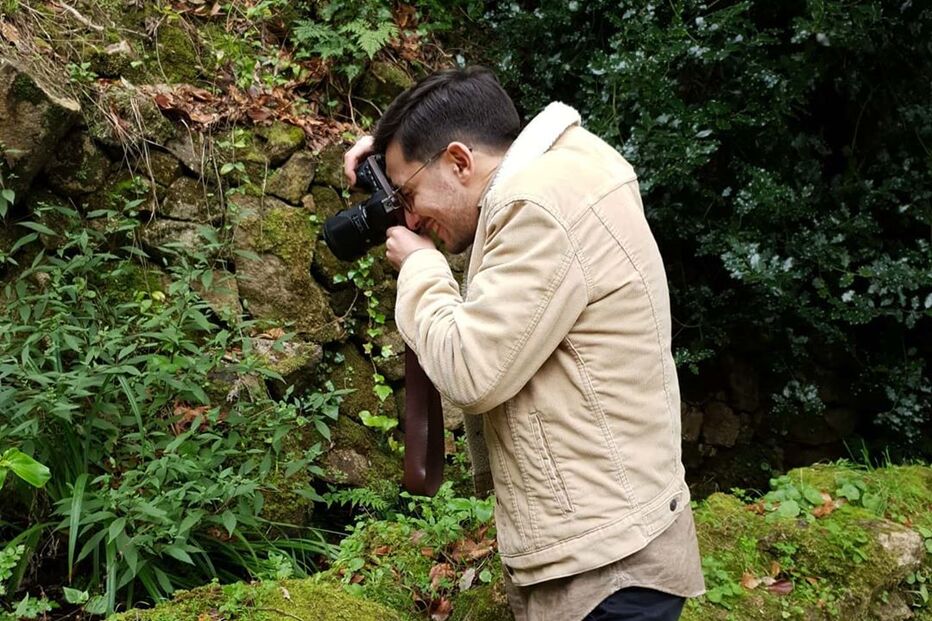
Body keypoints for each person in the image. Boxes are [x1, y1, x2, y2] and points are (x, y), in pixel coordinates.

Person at [342, 66, 705, 621]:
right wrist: (395, 155)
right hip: (615, 534)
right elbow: (467, 130)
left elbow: (472, 371)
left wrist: (421, 268)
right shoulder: (567, 167)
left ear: (460, 160)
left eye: (409, 194)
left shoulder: (536, 209)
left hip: (605, 569)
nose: (410, 215)